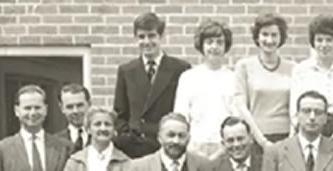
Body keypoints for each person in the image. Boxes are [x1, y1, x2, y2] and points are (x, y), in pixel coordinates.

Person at [113, 12, 191, 159]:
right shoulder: (126, 70)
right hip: (134, 147)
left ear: (161, 36)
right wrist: (127, 136)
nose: (147, 42)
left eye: (152, 36)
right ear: (136, 38)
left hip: (167, 146)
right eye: (141, 37)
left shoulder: (180, 69)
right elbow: (120, 113)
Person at [290, 14, 333, 147]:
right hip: (308, 132)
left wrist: (332, 141)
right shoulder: (301, 70)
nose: (324, 45)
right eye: (319, 40)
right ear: (313, 42)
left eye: (329, 40)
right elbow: (294, 111)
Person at [174, 20, 236, 159]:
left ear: (226, 46)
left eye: (219, 42)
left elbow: (236, 118)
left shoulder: (234, 79)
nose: (214, 47)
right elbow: (181, 116)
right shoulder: (188, 78)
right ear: (201, 45)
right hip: (194, 148)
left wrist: (225, 147)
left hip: (225, 148)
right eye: (209, 42)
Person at [234, 13, 294, 148]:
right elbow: (241, 107)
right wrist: (262, 141)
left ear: (281, 38)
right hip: (255, 137)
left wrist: (291, 139)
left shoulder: (293, 68)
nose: (269, 40)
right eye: (265, 34)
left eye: (274, 35)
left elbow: (296, 107)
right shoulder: (244, 66)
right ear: (257, 37)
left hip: (287, 137)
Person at [55, 83, 92, 152]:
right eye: (70, 107)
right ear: (62, 108)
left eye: (80, 105)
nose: (75, 111)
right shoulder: (54, 143)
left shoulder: (101, 138)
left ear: (89, 104)